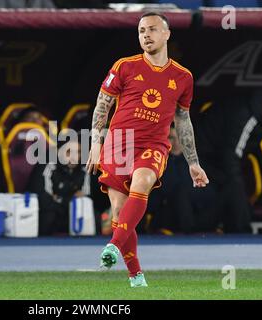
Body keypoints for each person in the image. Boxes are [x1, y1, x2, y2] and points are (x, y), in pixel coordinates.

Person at [86, 12, 208, 287]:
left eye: (152, 30)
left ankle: (113, 246)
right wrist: (95, 143)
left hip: (153, 146)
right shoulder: (124, 66)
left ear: (166, 34)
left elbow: (183, 120)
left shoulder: (183, 77)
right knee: (118, 212)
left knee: (142, 182)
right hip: (118, 144)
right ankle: (136, 275)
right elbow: (102, 106)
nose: (146, 35)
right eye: (141, 31)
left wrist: (193, 162)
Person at [195, 87, 262, 233]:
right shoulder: (247, 115)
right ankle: (240, 231)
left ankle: (235, 228)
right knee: (233, 186)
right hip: (203, 154)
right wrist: (236, 183)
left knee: (234, 187)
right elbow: (231, 154)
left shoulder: (261, 107)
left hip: (215, 152)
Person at [28, 140, 90, 235]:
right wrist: (70, 199)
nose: (74, 157)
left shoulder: (84, 168)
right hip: (49, 215)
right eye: (69, 152)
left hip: (71, 215)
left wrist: (59, 198)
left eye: (78, 152)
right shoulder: (47, 164)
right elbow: (43, 197)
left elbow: (87, 197)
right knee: (49, 216)